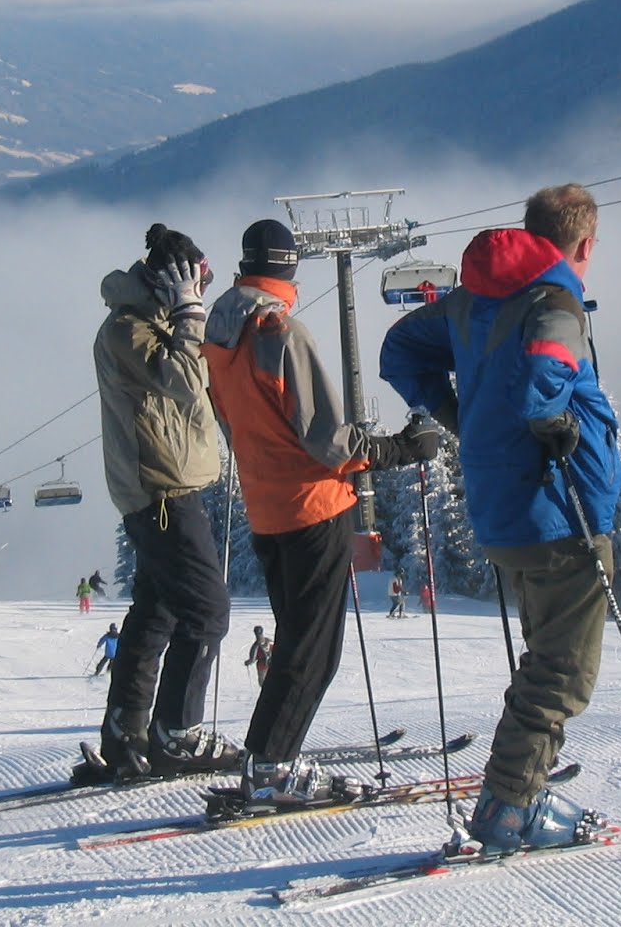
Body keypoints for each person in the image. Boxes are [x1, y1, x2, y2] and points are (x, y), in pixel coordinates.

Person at [380, 182, 621, 855]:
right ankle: (509, 808)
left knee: (546, 661)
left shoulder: (472, 302)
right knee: (561, 674)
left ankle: (516, 791)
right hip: (558, 506)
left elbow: (398, 352)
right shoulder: (555, 300)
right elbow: (547, 367)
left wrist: (457, 413)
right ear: (583, 244)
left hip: (504, 508)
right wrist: (547, 420)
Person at [204, 217, 439, 805]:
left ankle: (267, 758)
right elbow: (328, 440)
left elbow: (234, 420)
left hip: (266, 508)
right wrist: (400, 448)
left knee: (298, 644)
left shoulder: (220, 332)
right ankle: (272, 769)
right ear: (289, 266)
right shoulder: (278, 331)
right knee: (314, 650)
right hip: (312, 507)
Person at [87, 221, 241, 782]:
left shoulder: (150, 322)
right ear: (170, 283)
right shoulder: (127, 330)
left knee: (157, 613)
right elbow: (181, 378)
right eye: (197, 281)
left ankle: (124, 733)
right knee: (208, 610)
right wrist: (190, 316)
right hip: (160, 490)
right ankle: (177, 733)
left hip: (166, 485)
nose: (201, 292)